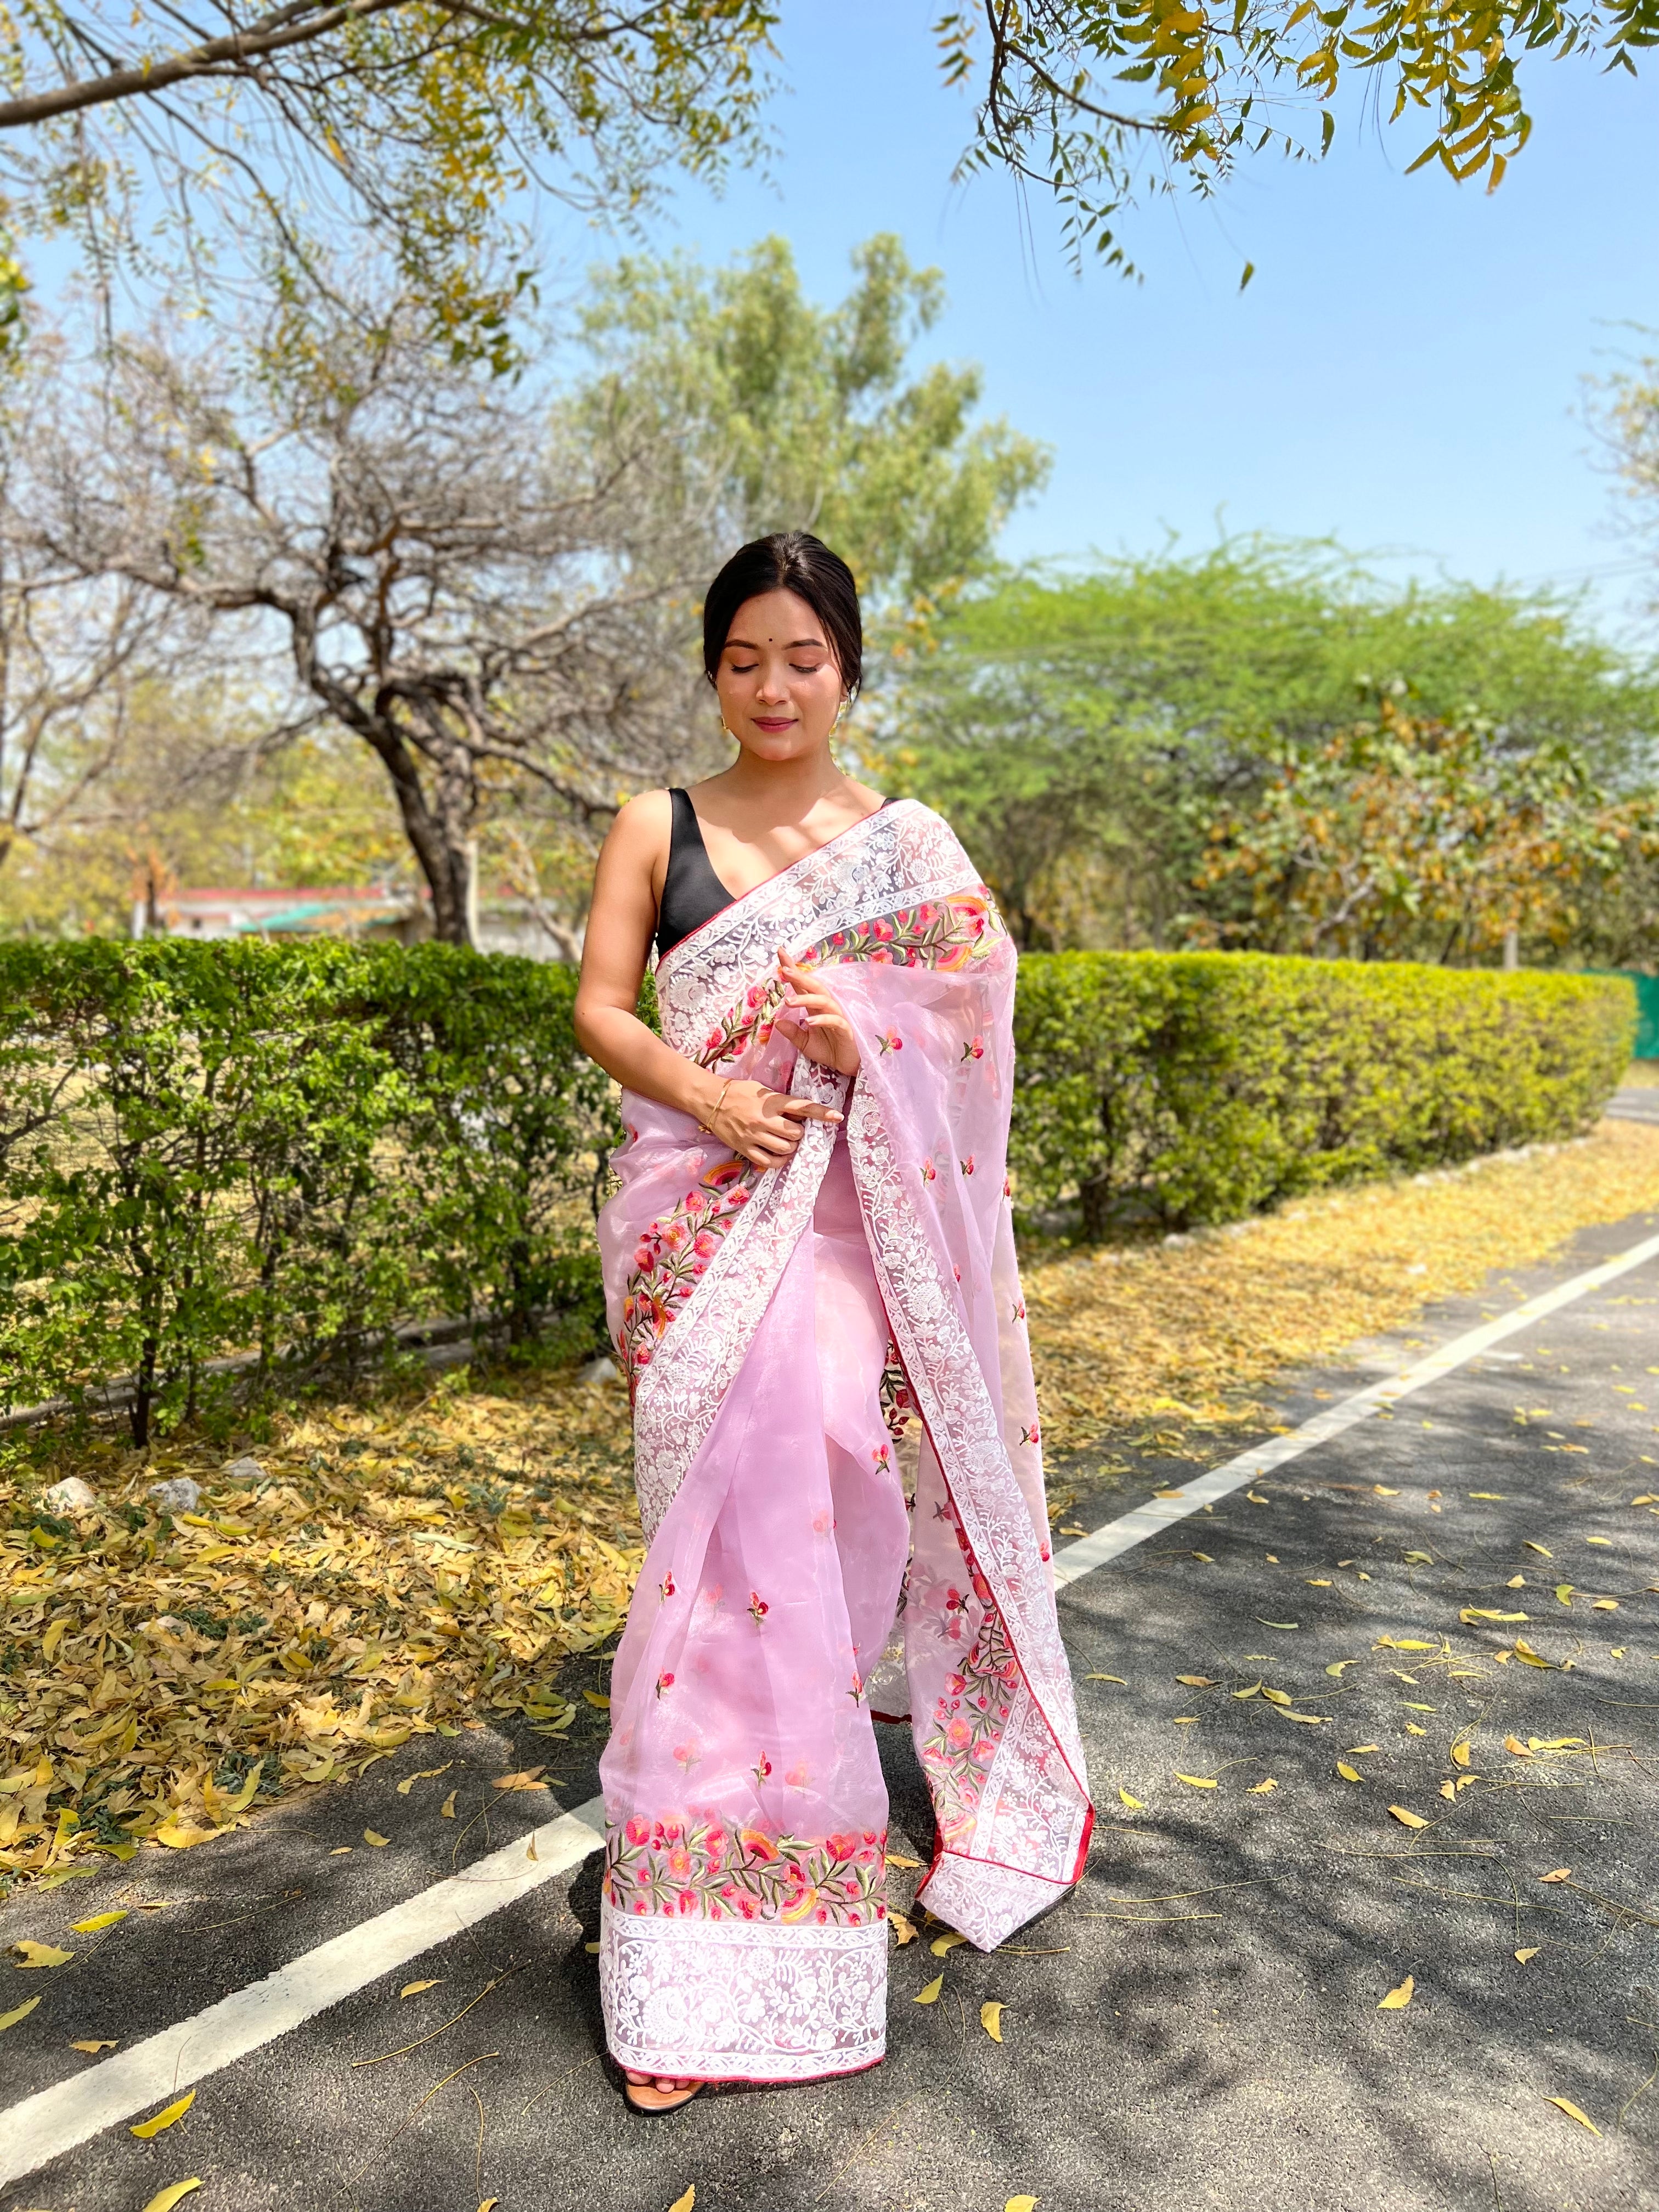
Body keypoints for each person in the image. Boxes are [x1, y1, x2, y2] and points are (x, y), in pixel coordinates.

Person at [573, 531, 1092, 2115]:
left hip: (849, 1231)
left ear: (849, 668)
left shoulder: (904, 848)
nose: (774, 687)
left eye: (805, 658)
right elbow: (601, 1004)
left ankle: (772, 1887)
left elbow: (976, 1031)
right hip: (698, 1212)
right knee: (732, 1533)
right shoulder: (657, 822)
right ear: (713, 670)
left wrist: (862, 1041)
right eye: (744, 659)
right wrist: (716, 1088)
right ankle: (697, 1923)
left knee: (800, 1491)